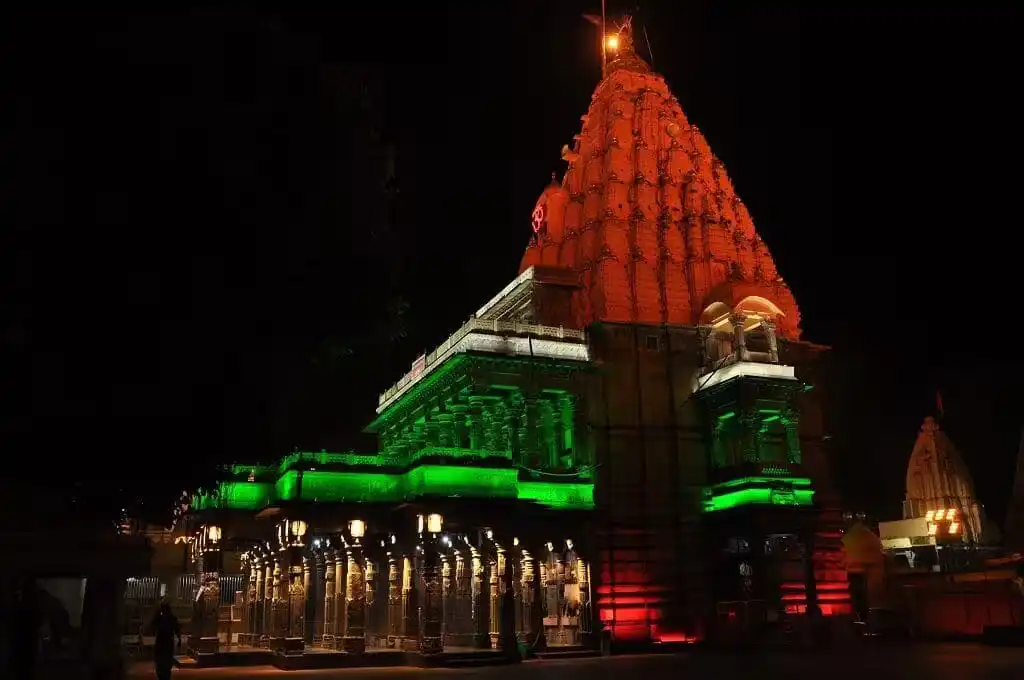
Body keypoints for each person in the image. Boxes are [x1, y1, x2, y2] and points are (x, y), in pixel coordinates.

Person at [149, 601, 181, 680]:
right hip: (166, 642)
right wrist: (179, 639)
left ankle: (164, 676)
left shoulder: (163, 618)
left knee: (163, 665)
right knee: (164, 665)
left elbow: (152, 626)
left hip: (163, 642)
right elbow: (177, 629)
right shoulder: (170, 618)